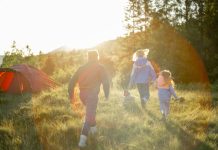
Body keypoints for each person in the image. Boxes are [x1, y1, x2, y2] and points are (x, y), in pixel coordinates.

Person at [68, 50, 110, 148]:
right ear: (97, 57)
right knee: (89, 117)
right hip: (92, 95)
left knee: (91, 113)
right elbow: (106, 82)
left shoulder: (81, 68)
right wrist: (107, 94)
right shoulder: (100, 67)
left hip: (82, 95)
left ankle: (94, 132)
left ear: (88, 57)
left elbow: (72, 81)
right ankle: (82, 142)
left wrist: (71, 95)